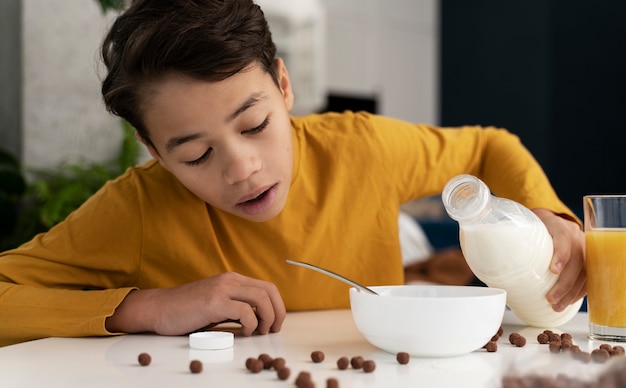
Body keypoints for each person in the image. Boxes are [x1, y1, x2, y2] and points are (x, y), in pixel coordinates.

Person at [0, 0, 586, 347]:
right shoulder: (136, 208)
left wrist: (547, 215)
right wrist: (148, 308)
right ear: (152, 148)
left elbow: (488, 147)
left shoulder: (359, 148)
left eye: (254, 124)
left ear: (282, 85)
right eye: (196, 155)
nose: (242, 169)